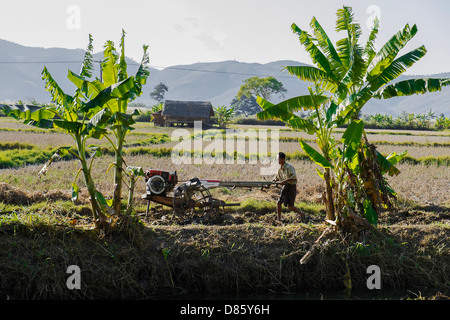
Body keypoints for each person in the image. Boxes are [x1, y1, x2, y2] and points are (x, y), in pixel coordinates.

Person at [273, 152, 305, 222]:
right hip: (285, 187)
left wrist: (285, 181)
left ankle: (302, 214)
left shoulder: (289, 167)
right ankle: (279, 219)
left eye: (278, 159)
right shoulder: (280, 169)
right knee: (279, 202)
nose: (277, 160)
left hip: (291, 187)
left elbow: (294, 177)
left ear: (283, 159)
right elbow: (277, 177)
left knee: (290, 206)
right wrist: (274, 180)